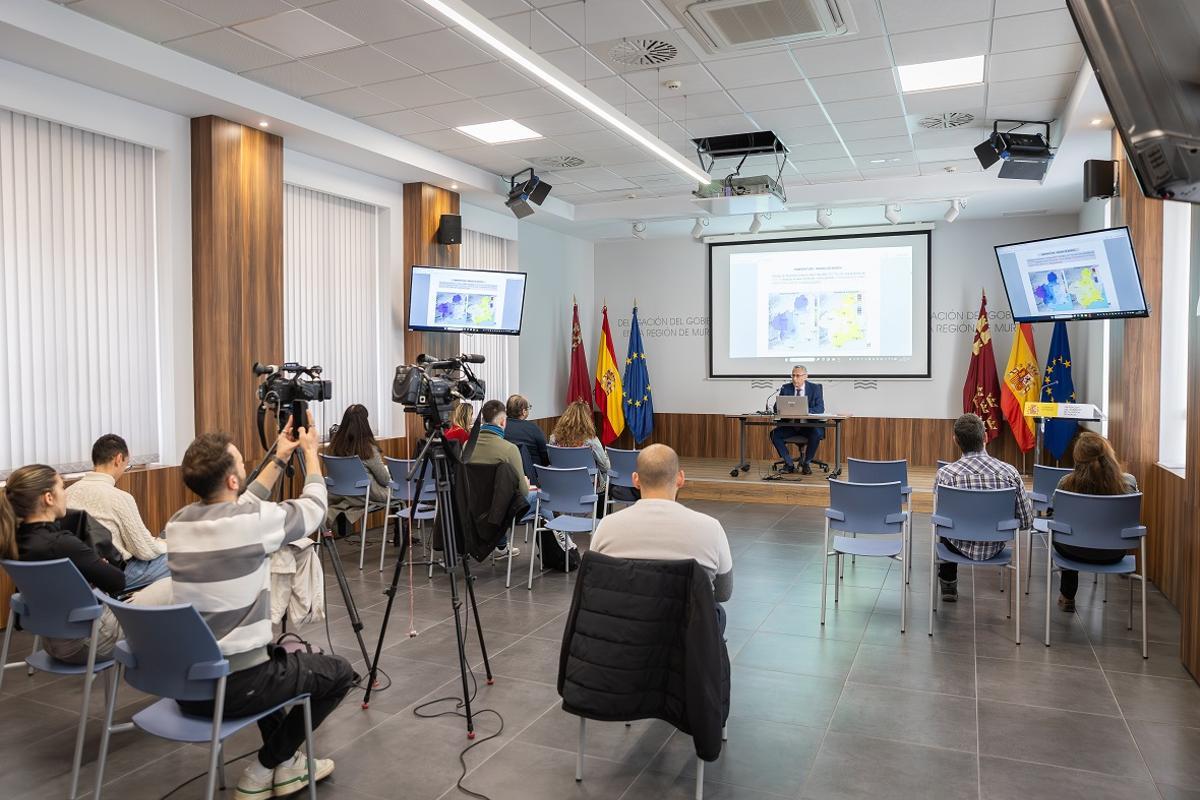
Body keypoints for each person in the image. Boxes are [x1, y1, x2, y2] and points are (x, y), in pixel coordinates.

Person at [167, 416, 353, 800]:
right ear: (233, 480)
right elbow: (314, 510)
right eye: (240, 464)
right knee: (338, 673)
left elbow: (243, 503)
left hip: (187, 684)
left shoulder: (178, 524)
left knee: (271, 658)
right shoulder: (252, 523)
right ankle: (267, 765)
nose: (244, 470)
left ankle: (288, 764)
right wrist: (311, 455)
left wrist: (280, 457)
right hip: (236, 689)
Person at [0, 464, 170, 664]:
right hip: (93, 642)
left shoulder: (14, 541)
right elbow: (117, 582)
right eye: (62, 488)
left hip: (53, 642)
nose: (65, 493)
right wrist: (98, 566)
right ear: (48, 498)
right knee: (172, 584)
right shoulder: (61, 543)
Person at [590, 444, 733, 630]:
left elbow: (594, 584)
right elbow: (723, 593)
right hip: (688, 638)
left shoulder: (606, 527)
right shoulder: (711, 528)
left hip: (624, 634)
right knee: (717, 613)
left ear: (635, 480)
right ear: (680, 478)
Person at [935, 413, 1033, 602]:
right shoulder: (1010, 473)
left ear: (956, 441)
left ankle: (948, 584)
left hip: (956, 546)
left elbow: (940, 520)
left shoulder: (945, 475)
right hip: (996, 545)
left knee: (945, 523)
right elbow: (1026, 521)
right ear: (986, 438)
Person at [64, 433, 170, 589]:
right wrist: (167, 544)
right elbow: (144, 551)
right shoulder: (119, 498)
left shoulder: (68, 492)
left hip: (78, 575)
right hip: (115, 574)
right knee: (180, 557)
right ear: (118, 459)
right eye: (127, 464)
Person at [1052, 431, 1139, 612]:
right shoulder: (1128, 483)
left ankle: (1068, 595)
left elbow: (1056, 513)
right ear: (1109, 455)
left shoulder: (1065, 484)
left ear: (1077, 458)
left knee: (1067, 531)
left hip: (1071, 551)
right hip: (1114, 553)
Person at [463, 399, 524, 560]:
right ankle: (564, 551)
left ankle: (501, 545)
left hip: (473, 507)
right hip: (498, 511)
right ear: (503, 422)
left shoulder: (466, 446)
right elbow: (523, 492)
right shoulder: (509, 449)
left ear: (482, 420)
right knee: (541, 504)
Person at [324, 404, 389, 538]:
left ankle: (342, 512)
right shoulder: (367, 448)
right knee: (400, 495)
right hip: (366, 494)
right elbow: (384, 479)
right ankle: (401, 537)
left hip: (339, 493)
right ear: (365, 423)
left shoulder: (335, 445)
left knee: (353, 494)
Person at [770, 365, 825, 474]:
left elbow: (820, 408)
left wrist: (804, 411)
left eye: (798, 376)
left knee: (816, 434)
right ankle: (789, 463)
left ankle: (806, 463)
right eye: (793, 375)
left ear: (805, 376)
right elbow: (777, 408)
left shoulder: (815, 388)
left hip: (808, 426)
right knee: (774, 435)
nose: (795, 379)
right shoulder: (785, 388)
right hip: (791, 426)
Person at [550, 400, 611, 498]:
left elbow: (553, 461)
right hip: (588, 484)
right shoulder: (591, 440)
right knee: (605, 472)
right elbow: (605, 466)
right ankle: (600, 512)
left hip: (561, 481)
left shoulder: (553, 439)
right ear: (587, 419)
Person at [504, 394, 550, 467]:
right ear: (523, 411)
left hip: (505, 473)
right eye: (528, 408)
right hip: (532, 474)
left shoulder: (500, 427)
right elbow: (545, 455)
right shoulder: (533, 428)